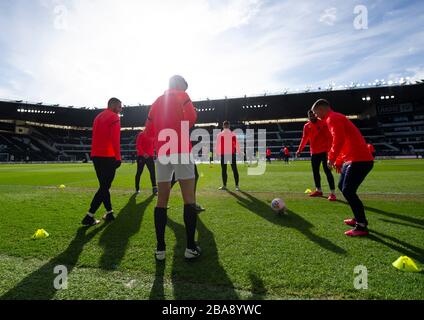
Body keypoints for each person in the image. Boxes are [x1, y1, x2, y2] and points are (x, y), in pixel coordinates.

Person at [144, 75, 200, 261]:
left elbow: (148, 132)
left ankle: (160, 250)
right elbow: (191, 119)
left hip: (162, 152)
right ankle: (190, 247)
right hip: (181, 149)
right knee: (189, 199)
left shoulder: (156, 102)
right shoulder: (182, 95)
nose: (185, 88)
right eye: (185, 85)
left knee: (161, 200)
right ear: (180, 85)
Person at [312, 99, 374, 237]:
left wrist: (332, 158)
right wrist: (340, 161)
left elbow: (338, 139)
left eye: (316, 113)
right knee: (342, 187)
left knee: (348, 190)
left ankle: (362, 225)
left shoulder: (333, 118)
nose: (316, 116)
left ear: (322, 109)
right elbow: (342, 140)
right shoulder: (334, 118)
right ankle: (358, 218)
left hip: (359, 159)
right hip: (352, 159)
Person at [82, 98, 122, 227]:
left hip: (96, 155)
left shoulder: (98, 117)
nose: (121, 109)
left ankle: (109, 212)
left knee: (104, 186)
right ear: (114, 105)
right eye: (119, 106)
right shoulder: (114, 117)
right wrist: (118, 157)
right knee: (105, 186)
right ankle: (89, 215)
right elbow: (115, 139)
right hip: (108, 156)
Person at [296, 110, 336, 201]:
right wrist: (299, 150)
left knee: (327, 171)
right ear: (308, 117)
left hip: (324, 151)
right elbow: (304, 138)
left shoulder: (323, 123)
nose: (312, 117)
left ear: (316, 115)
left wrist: (330, 150)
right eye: (310, 116)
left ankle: (333, 193)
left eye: (313, 115)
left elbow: (329, 137)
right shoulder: (307, 126)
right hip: (314, 152)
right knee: (315, 172)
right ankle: (319, 190)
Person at [216, 121, 240, 191]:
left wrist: (238, 151)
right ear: (224, 126)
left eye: (226, 126)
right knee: (229, 170)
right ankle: (232, 186)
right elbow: (218, 144)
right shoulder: (231, 134)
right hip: (227, 154)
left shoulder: (222, 134)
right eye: (225, 126)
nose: (226, 127)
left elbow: (236, 143)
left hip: (228, 154)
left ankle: (234, 185)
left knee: (231, 170)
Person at [135, 130, 158, 195]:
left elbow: (153, 145)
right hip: (141, 157)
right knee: (139, 172)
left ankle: (154, 188)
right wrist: (144, 154)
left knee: (152, 172)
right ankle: (137, 188)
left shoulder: (153, 135)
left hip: (150, 157)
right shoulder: (141, 134)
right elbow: (138, 146)